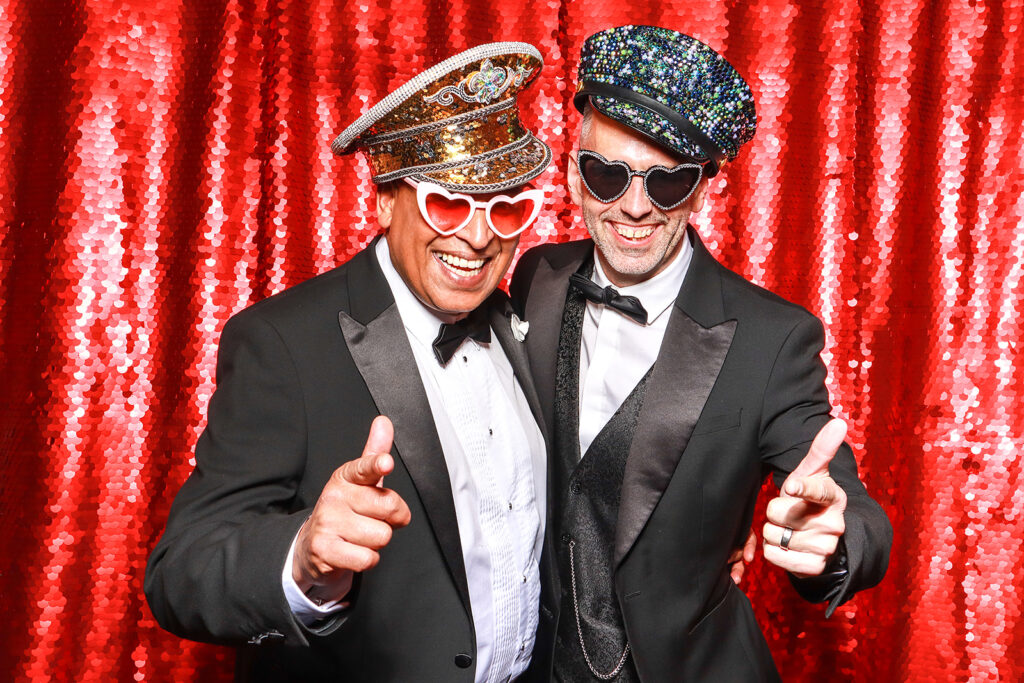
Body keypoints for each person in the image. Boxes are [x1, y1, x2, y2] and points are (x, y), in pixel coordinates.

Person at [146, 43, 559, 682]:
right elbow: (180, 573)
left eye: (505, 208)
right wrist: (301, 561)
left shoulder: (524, 323)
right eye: (447, 202)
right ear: (386, 201)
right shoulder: (282, 343)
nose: (479, 237)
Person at [510, 26, 892, 681]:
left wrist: (831, 539)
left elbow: (858, 514)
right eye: (607, 173)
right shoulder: (535, 277)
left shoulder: (773, 339)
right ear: (574, 175)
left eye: (665, 182)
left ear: (703, 187)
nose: (633, 207)